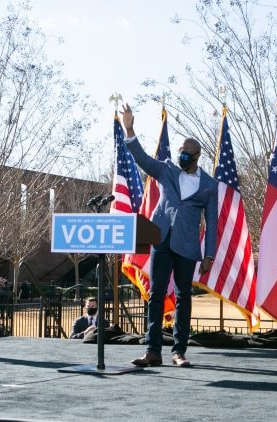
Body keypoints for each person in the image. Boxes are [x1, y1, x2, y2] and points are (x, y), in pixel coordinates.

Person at [120, 104, 218, 368]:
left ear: (197, 155)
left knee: (184, 296)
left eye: (186, 152)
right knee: (156, 294)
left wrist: (210, 254)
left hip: (187, 247)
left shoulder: (209, 185)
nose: (181, 155)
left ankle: (179, 352)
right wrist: (129, 129)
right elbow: (142, 159)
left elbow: (212, 221)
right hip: (161, 240)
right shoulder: (166, 169)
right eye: (180, 151)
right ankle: (152, 351)